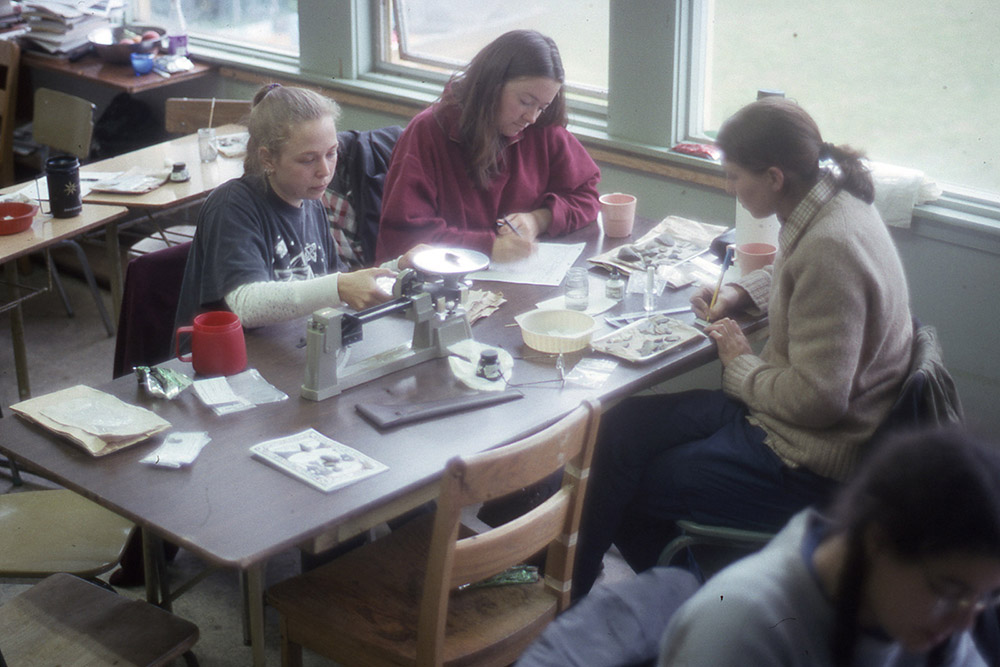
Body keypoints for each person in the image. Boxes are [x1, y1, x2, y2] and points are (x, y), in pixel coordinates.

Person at [572, 97, 914, 598]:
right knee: (616, 432)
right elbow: (794, 274)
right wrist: (739, 292)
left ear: (773, 177)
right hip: (779, 416)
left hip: (806, 457)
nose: (728, 186)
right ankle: (572, 589)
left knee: (630, 487)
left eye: (734, 177)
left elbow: (820, 400)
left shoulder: (831, 246)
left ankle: (696, 612)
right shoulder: (829, 204)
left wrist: (741, 367)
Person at [659, 428, 1000, 665]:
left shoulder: (934, 617)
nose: (966, 623)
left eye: (987, 597)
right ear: (877, 539)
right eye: (950, 591)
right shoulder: (740, 628)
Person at [175, 84, 424, 331]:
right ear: (268, 159)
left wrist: (398, 267)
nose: (325, 171)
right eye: (308, 159)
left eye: (332, 153)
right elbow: (245, 304)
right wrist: (339, 286)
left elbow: (335, 285)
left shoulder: (312, 204)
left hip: (285, 349)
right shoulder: (232, 205)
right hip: (220, 360)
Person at [374, 29, 601, 264]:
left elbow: (587, 196)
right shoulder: (428, 132)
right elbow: (403, 239)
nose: (532, 117)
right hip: (442, 286)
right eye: (525, 102)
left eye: (542, 107)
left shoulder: (541, 129)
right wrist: (488, 247)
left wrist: (539, 219)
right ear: (492, 85)